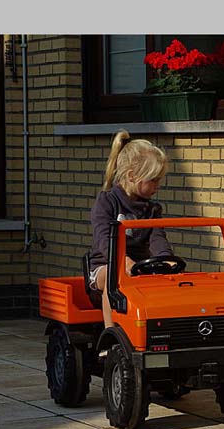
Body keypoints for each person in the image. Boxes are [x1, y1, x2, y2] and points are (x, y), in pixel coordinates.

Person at [88, 129, 173, 329]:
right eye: (153, 179)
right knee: (114, 277)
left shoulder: (152, 209)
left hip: (140, 267)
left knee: (172, 280)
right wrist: (123, 261)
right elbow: (103, 238)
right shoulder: (107, 202)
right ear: (132, 176)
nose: (157, 185)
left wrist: (166, 260)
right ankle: (111, 335)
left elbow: (158, 238)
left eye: (159, 180)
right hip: (104, 267)